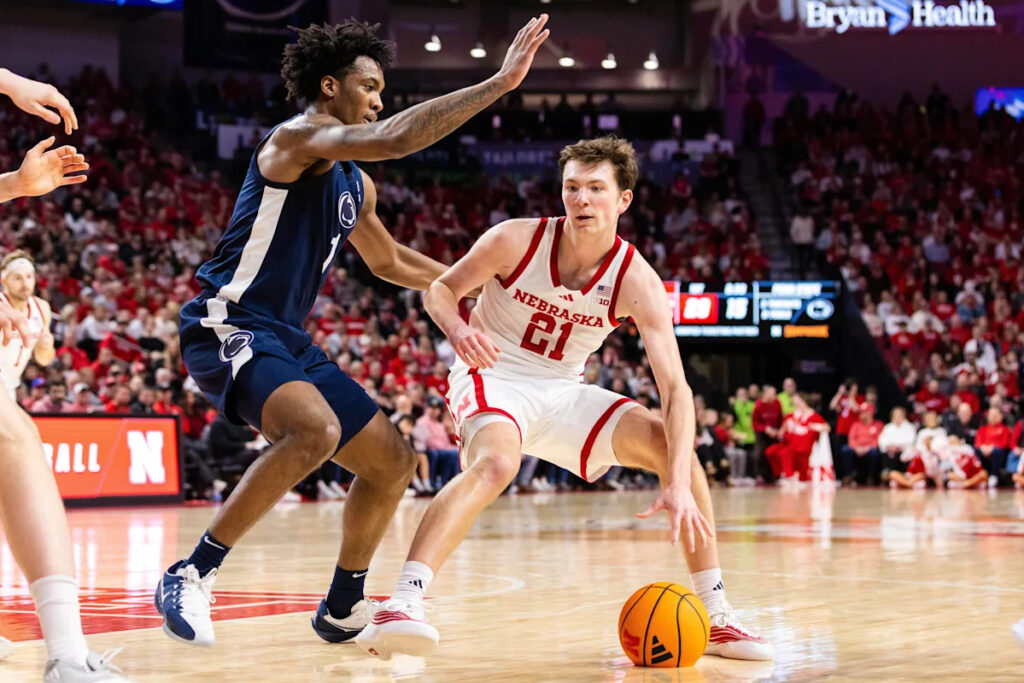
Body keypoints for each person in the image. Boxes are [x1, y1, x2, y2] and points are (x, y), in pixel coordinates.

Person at [154, 16, 551, 648]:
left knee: (393, 462)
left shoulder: (352, 183)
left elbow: (389, 261)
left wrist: (478, 285)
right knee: (314, 429)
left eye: (382, 92)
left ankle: (342, 605)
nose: (378, 100)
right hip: (225, 319)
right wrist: (498, 84)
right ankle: (191, 572)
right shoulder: (295, 140)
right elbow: (394, 138)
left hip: (285, 335)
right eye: (369, 87)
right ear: (330, 85)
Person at [355, 137, 772, 661]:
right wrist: (460, 331)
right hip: (493, 370)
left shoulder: (636, 279)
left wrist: (678, 483)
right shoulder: (514, 240)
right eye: (572, 187)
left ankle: (716, 618)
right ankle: (403, 601)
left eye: (596, 189)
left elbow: (675, 389)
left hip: (561, 389)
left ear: (623, 200)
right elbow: (439, 290)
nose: (581, 200)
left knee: (675, 448)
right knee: (497, 465)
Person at [0, 67, 131, 681]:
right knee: (16, 437)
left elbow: (50, 360)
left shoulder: (40, 310)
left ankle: (69, 654)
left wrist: (17, 184)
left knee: (16, 438)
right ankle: (68, 657)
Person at [764, 394, 829, 484]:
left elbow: (826, 427)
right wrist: (777, 431)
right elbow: (781, 433)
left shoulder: (813, 416)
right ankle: (781, 474)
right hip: (789, 443)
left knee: (785, 453)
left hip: (803, 446)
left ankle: (789, 476)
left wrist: (811, 427)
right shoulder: (790, 416)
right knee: (771, 451)